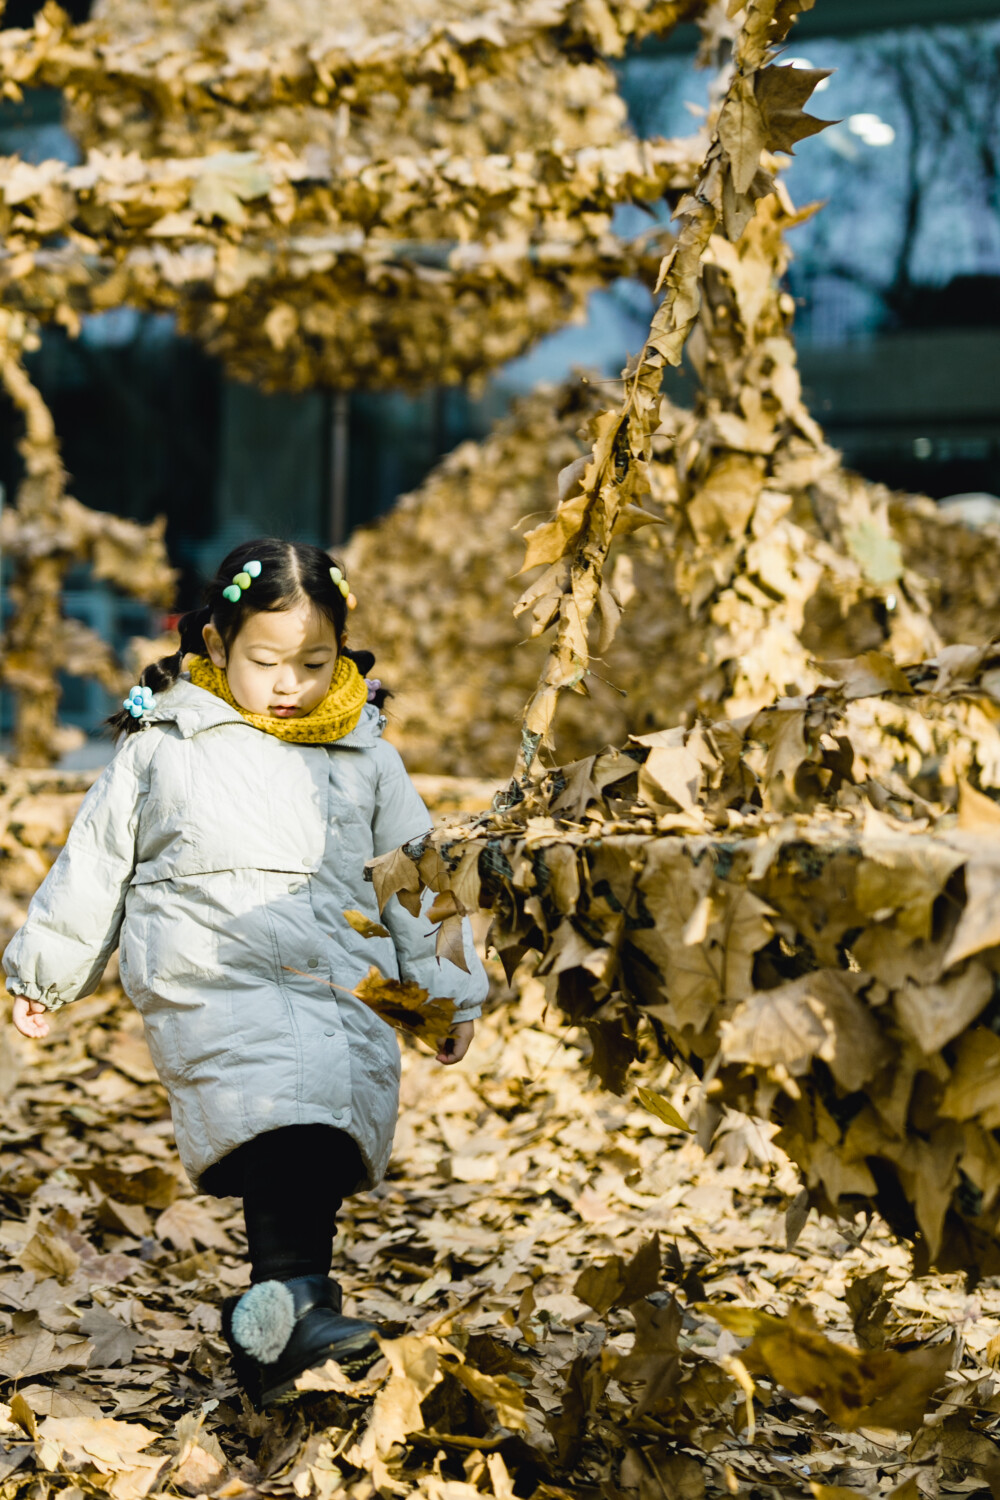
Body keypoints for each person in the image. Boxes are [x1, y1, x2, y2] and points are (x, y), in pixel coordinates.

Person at [3, 537, 488, 1409]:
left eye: (315, 659)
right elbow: (97, 861)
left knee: (323, 1141)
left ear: (344, 651)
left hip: (340, 980)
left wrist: (449, 994)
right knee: (280, 1116)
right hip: (213, 969)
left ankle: (281, 1326)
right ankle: (296, 1310)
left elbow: (417, 883)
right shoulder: (166, 744)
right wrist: (45, 973)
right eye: (266, 660)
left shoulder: (367, 756)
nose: (291, 681)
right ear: (217, 646)